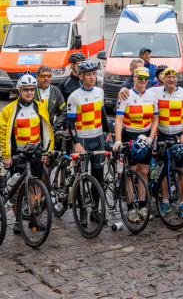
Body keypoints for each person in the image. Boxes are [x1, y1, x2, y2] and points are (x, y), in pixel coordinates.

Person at [0, 72, 54, 231]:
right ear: (19, 90)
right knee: (17, 189)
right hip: (18, 154)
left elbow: (46, 131)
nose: (29, 92)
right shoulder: (9, 110)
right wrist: (7, 155)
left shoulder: (40, 107)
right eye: (25, 89)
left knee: (34, 187)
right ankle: (17, 221)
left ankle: (34, 218)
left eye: (31, 89)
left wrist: (46, 152)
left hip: (35, 153)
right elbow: (3, 133)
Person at [146, 67, 183, 217]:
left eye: (174, 77)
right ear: (163, 79)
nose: (172, 80)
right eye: (169, 77)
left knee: (182, 170)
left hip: (180, 135)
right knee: (164, 170)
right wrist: (123, 90)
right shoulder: (155, 92)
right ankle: (165, 201)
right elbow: (137, 91)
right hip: (163, 135)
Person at [115, 67, 159, 216]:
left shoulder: (152, 95)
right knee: (130, 173)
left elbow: (155, 118)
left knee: (144, 172)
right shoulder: (125, 95)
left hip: (146, 136)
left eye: (146, 77)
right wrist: (119, 141)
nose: (143, 80)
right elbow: (119, 120)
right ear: (134, 78)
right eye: (140, 77)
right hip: (129, 135)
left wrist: (151, 137)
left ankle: (142, 205)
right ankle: (130, 207)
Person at [66, 59, 113, 187]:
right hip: (82, 140)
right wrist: (76, 143)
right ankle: (79, 205)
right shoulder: (74, 96)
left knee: (98, 178)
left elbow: (102, 114)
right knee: (80, 177)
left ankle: (96, 206)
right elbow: (70, 123)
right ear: (81, 76)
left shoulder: (100, 92)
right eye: (88, 74)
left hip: (98, 139)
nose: (92, 77)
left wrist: (108, 132)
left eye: (94, 74)